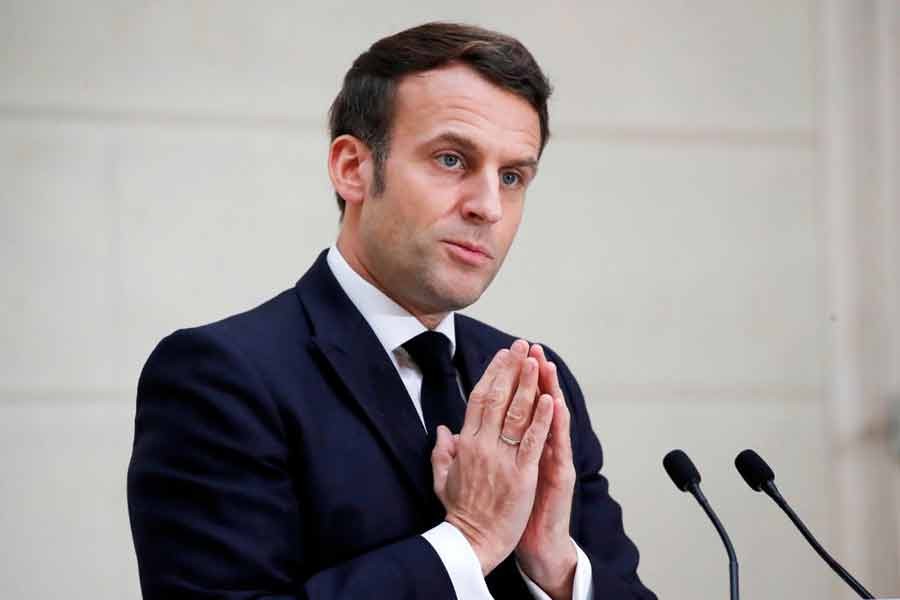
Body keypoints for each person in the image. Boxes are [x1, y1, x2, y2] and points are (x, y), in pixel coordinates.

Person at [127, 22, 656, 600]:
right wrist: (468, 543)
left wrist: (553, 567)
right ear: (353, 168)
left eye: (512, 177)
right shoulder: (221, 376)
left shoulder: (535, 381)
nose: (488, 207)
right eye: (452, 159)